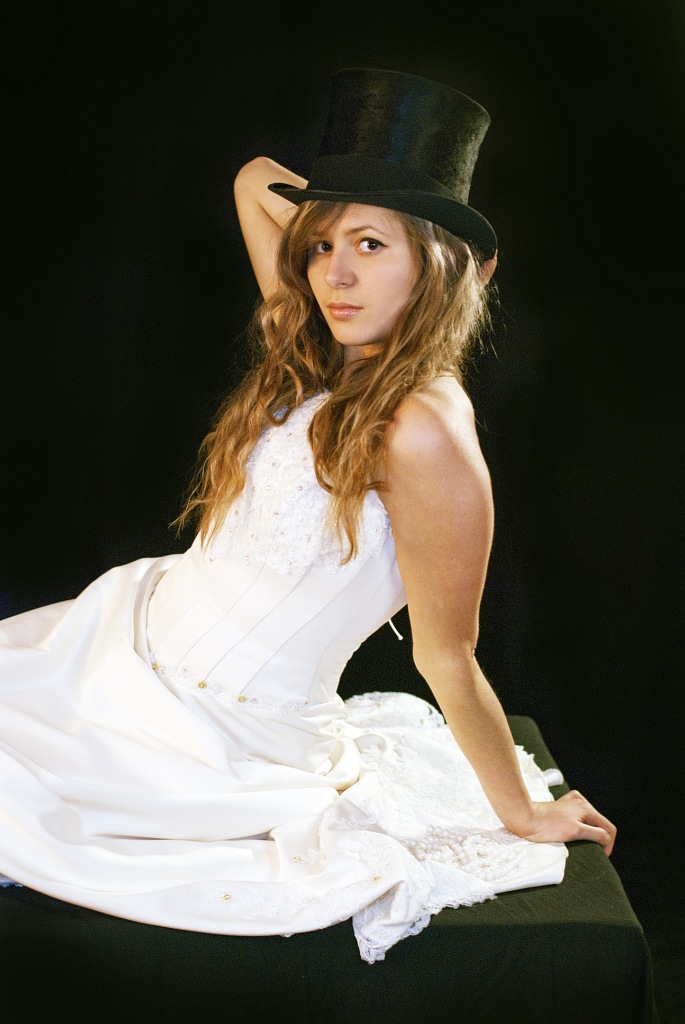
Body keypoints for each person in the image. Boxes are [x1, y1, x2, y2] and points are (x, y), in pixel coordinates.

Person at [0, 67, 616, 964]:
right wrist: (351, 209)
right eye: (320, 246)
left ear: (440, 263)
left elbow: (447, 653)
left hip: (219, 735)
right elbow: (254, 178)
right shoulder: (328, 345)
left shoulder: (425, 432)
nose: (335, 274)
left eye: (370, 246)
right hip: (122, 639)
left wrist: (521, 814)